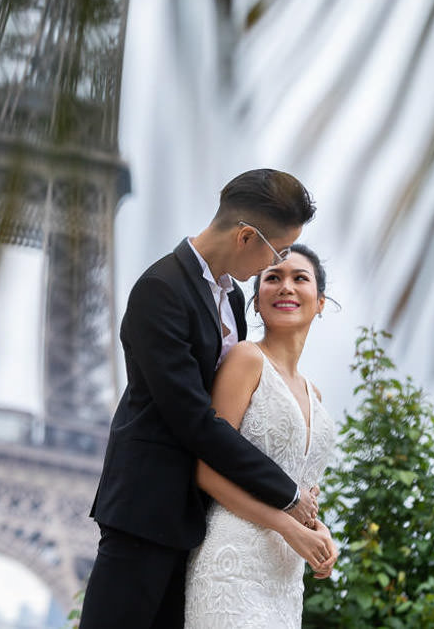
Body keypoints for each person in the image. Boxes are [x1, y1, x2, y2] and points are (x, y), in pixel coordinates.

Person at [80, 169, 331, 628]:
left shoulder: (232, 298)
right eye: (275, 253)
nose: (271, 268)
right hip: (146, 511)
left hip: (202, 525)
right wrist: (287, 495)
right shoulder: (161, 290)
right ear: (246, 236)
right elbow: (194, 420)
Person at [184, 244, 337, 628]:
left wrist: (319, 531)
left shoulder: (314, 394)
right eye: (273, 277)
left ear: (319, 303)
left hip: (285, 577)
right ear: (255, 303)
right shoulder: (246, 359)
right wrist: (287, 526)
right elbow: (206, 470)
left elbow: (304, 489)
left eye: (299, 278)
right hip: (232, 563)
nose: (286, 286)